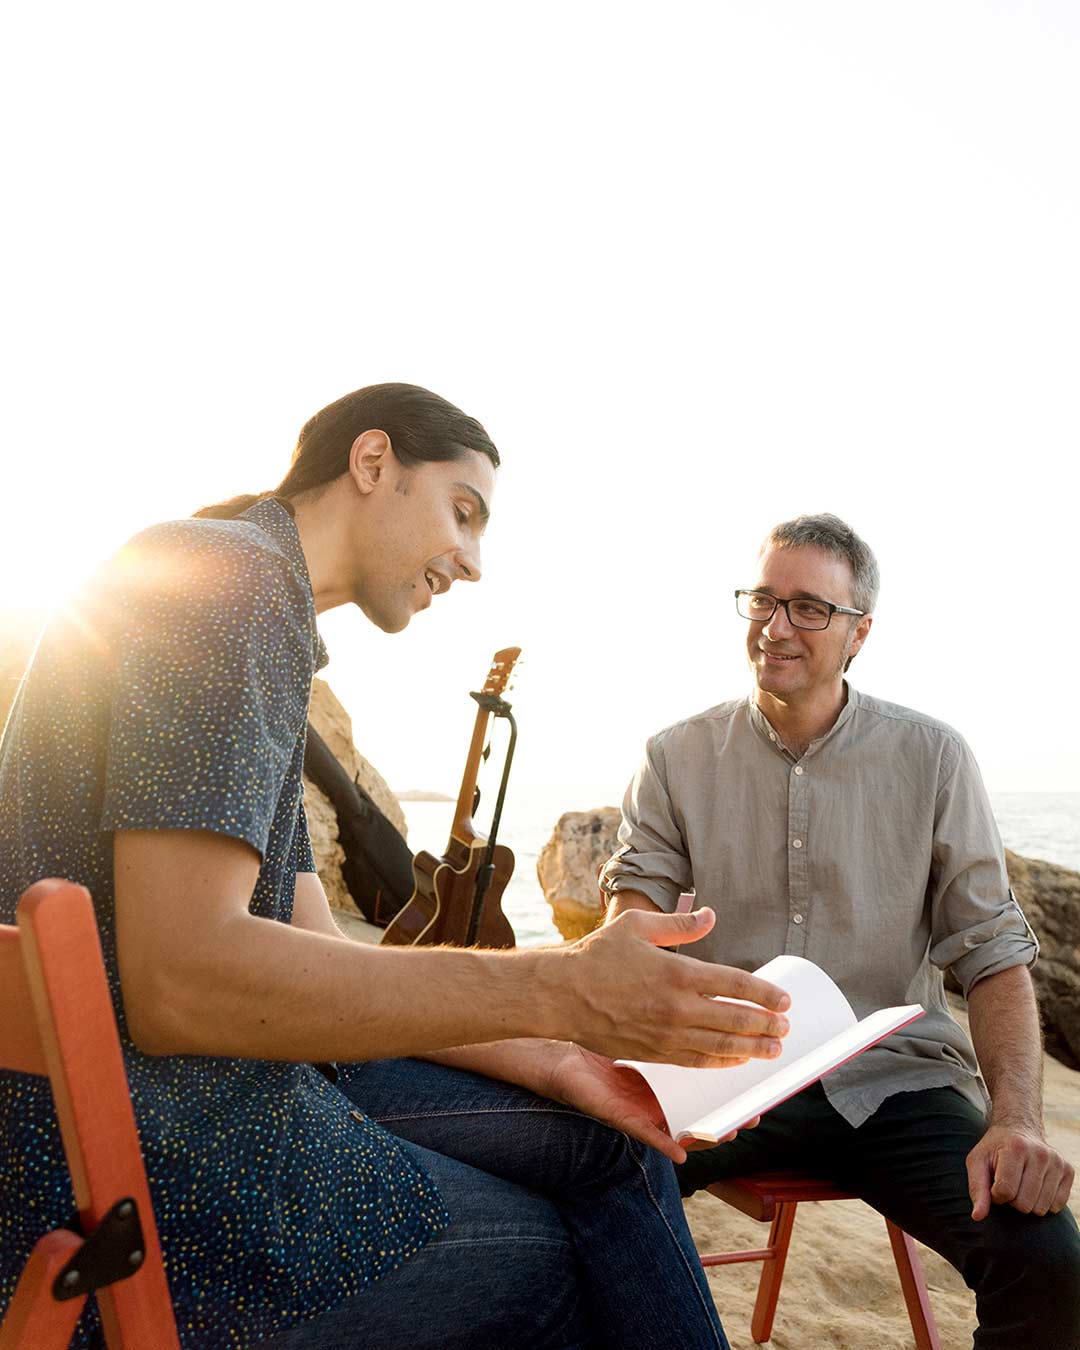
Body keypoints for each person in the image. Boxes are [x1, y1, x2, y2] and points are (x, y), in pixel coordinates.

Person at [0, 383, 792, 1350]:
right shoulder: (228, 587)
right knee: (562, 1254)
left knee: (604, 1142)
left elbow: (312, 943)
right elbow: (183, 982)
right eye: (462, 511)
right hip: (144, 1150)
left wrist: (556, 1051)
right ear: (372, 463)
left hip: (154, 1098)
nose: (471, 559)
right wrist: (564, 990)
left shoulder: (227, 583)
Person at [600, 512, 1080, 1349]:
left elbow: (994, 956)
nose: (777, 626)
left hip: (893, 1083)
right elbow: (628, 916)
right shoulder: (675, 755)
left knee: (1049, 1262)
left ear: (860, 632)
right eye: (763, 599)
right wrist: (646, 937)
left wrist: (1019, 1122)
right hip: (727, 1077)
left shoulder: (934, 757)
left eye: (810, 608)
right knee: (584, 1182)